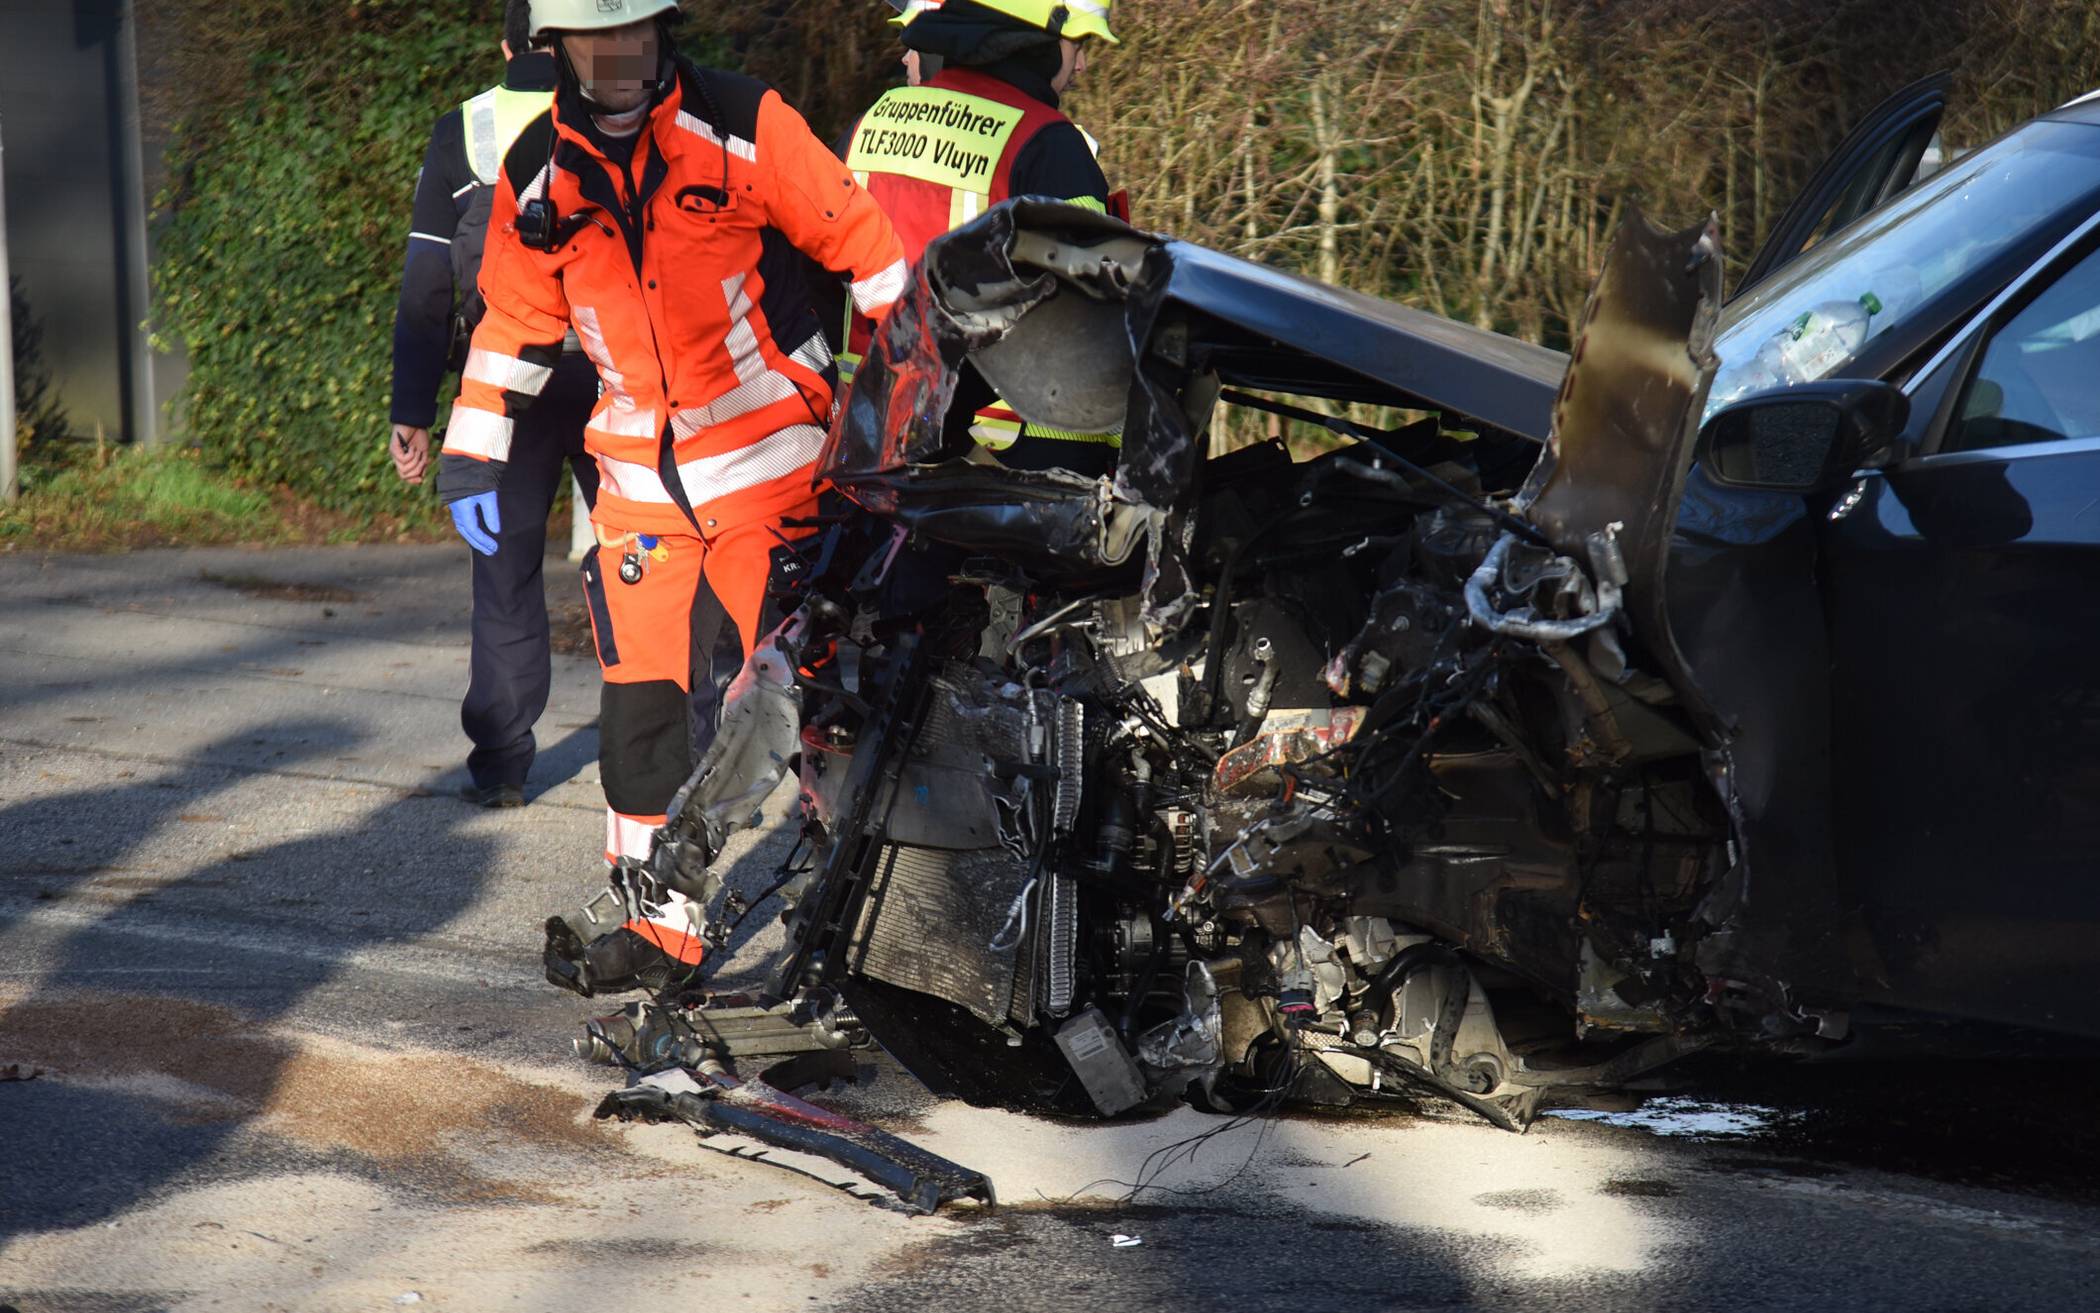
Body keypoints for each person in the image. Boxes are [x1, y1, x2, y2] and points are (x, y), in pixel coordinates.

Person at [437, 0, 907, 993]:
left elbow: (873, 257)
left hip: (769, 461)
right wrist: (472, 451)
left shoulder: (746, 125)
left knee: (796, 703)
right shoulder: (540, 170)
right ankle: (662, 932)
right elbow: (516, 323)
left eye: (637, 38)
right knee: (642, 716)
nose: (620, 61)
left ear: (666, 31)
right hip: (639, 483)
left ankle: (850, 932)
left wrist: (901, 417)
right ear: (557, 48)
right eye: (597, 43)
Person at [390, 0, 599, 809]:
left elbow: (427, 286)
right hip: (614, 370)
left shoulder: (465, 130)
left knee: (505, 569)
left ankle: (505, 761)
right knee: (643, 560)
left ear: (508, 43)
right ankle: (663, 749)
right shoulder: (626, 114)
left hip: (505, 379)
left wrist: (411, 407)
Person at [841, 0, 1124, 475]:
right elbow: (1101, 321)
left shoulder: (871, 123)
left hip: (872, 443)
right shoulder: (1048, 143)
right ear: (1031, 35)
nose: (1082, 64)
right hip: (1022, 463)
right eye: (1077, 43)